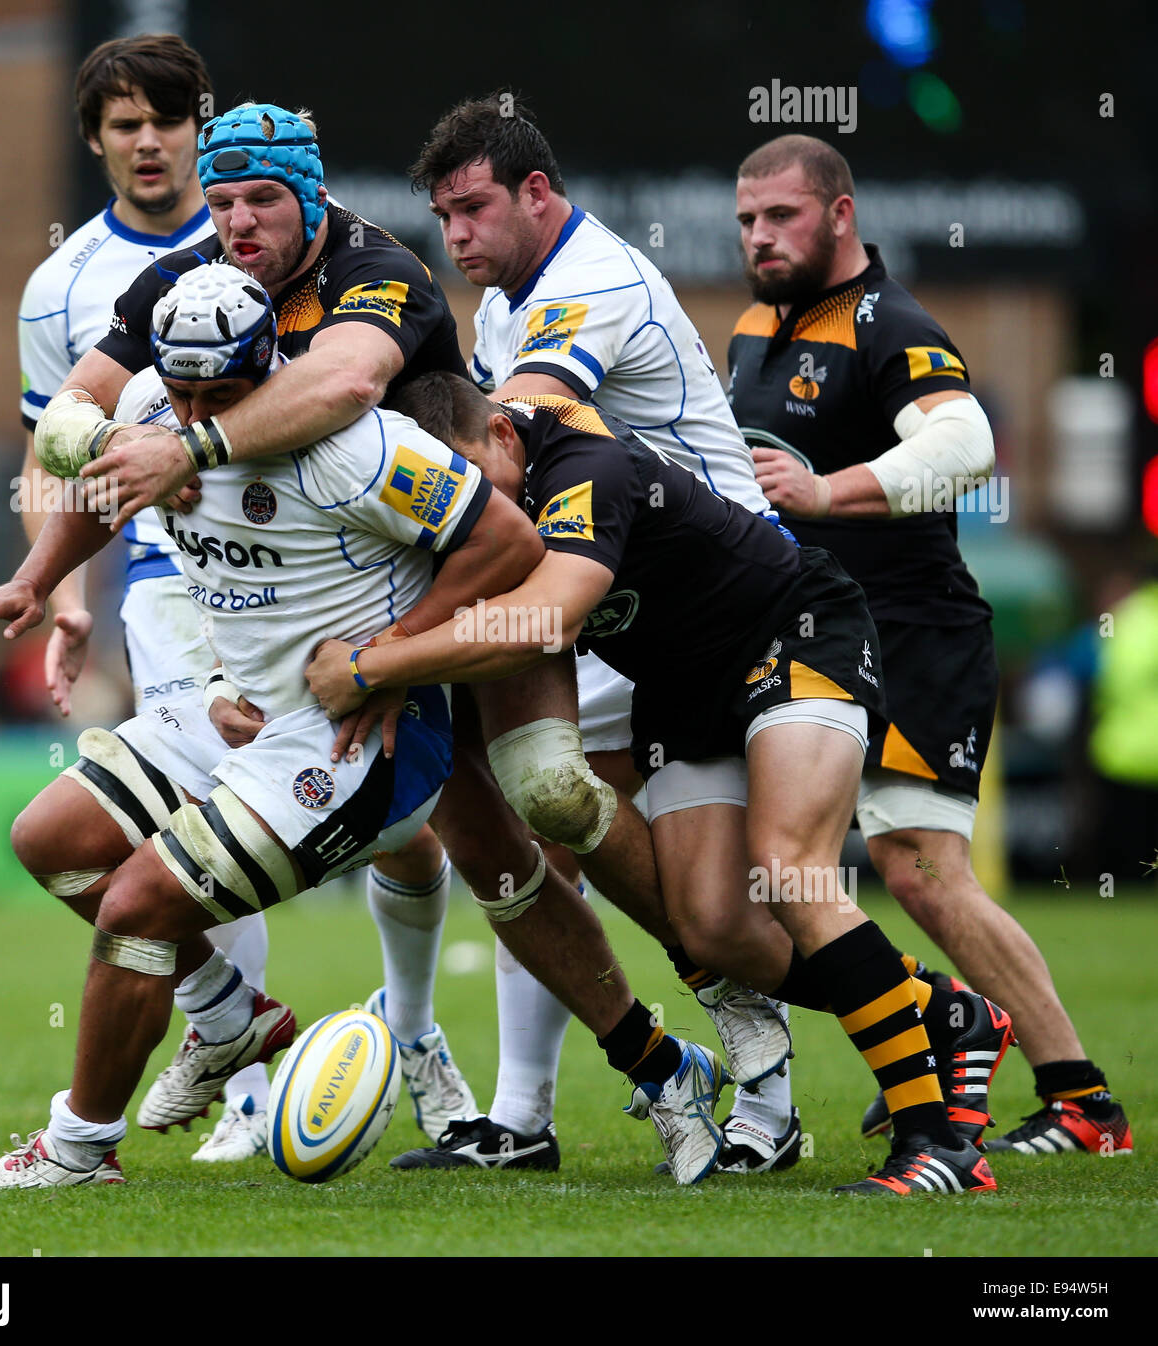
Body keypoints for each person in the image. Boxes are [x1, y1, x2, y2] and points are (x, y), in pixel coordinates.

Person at [308, 372, 1017, 1196]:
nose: (471, 507)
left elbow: (550, 617)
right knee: (715, 931)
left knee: (788, 868)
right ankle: (945, 1014)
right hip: (683, 690)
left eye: (477, 480)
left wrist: (373, 665)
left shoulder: (584, 468)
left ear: (502, 434)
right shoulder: (469, 492)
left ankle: (937, 1148)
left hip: (791, 630)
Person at [36, 98, 491, 1148]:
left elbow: (348, 383)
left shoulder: (377, 286)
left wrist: (391, 656)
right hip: (264, 623)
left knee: (519, 832)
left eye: (263, 199)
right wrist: (49, 563)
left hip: (431, 590)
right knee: (66, 845)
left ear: (313, 196)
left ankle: (495, 1063)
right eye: (224, 201)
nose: (238, 221)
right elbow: (72, 421)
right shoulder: (181, 295)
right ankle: (230, 1020)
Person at [393, 94, 796, 1174]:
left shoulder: (591, 282)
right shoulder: (504, 300)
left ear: (537, 192)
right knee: (536, 821)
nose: (457, 236)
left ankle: (772, 1086)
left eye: (474, 209)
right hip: (613, 592)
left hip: (708, 600)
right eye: (444, 217)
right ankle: (523, 1114)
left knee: (692, 877)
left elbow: (505, 440)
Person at [727, 133, 1130, 1157]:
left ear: (841, 213)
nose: (760, 236)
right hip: (806, 637)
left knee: (919, 869)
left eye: (782, 215)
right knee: (755, 875)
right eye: (747, 220)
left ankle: (1080, 1100)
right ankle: (924, 1026)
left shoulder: (890, 323)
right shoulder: (755, 326)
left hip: (911, 636)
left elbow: (966, 444)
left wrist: (827, 491)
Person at [16, 35, 278, 1162]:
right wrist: (61, 592)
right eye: (126, 124)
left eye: (168, 120)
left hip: (289, 567)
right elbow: (49, 451)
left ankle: (417, 1047)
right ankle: (249, 1080)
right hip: (167, 582)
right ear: (96, 140)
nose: (150, 141)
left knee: (415, 846)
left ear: (198, 130)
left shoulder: (254, 236)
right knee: (205, 812)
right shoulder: (62, 284)